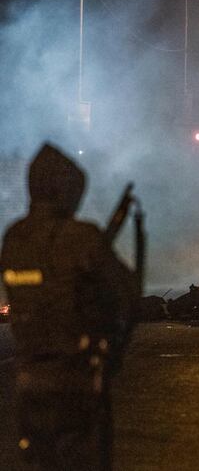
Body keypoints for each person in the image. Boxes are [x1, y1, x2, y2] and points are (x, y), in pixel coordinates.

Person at [0, 143, 138, 470]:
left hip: (27, 382)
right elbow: (128, 293)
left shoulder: (14, 236)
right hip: (75, 381)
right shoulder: (82, 237)